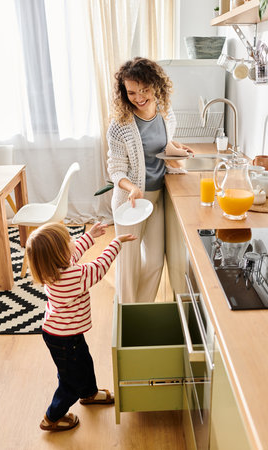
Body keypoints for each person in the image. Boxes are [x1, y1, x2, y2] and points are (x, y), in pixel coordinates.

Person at [26, 221, 136, 431]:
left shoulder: (54, 269)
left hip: (63, 333)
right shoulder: (72, 276)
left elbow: (73, 254)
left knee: (83, 363)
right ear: (59, 254)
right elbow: (100, 266)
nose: (72, 242)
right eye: (68, 241)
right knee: (70, 381)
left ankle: (89, 393)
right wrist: (116, 242)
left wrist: (90, 236)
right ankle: (52, 417)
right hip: (64, 338)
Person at [107, 56, 192, 303]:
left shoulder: (166, 113)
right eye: (131, 92)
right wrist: (131, 187)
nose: (139, 97)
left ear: (156, 85)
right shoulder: (120, 125)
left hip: (158, 197)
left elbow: (162, 143)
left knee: (155, 261)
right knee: (128, 263)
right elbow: (116, 168)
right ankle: (127, 315)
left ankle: (142, 310)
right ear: (124, 92)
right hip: (131, 202)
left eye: (144, 90)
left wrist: (176, 147)